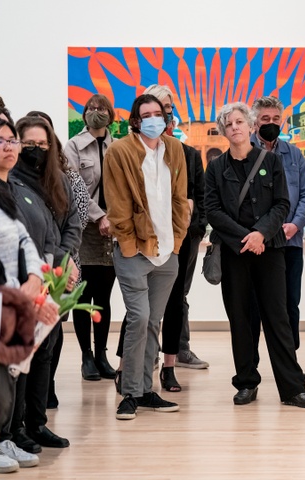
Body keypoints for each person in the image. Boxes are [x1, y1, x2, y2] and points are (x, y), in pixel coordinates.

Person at [204, 102, 305, 408]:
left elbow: (282, 203)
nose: (235, 128)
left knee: (278, 318)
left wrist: (261, 234)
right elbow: (212, 209)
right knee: (240, 319)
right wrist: (246, 236)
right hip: (235, 252)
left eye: (240, 122)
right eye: (229, 124)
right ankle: (246, 383)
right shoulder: (216, 168)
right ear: (224, 131)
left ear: (251, 126)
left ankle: (292, 388)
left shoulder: (271, 160)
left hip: (270, 250)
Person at [103, 94, 190, 420]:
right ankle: (129, 392)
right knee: (138, 318)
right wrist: (128, 244)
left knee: (153, 321)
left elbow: (181, 199)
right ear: (136, 120)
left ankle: (146, 391)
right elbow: (117, 204)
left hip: (167, 253)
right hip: (134, 251)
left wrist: (177, 241)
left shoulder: (175, 149)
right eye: (147, 114)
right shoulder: (120, 151)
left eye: (160, 113)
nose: (154, 118)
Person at [0, 118, 57, 472]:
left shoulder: (6, 191)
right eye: (0, 141)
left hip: (17, 299)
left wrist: (34, 277)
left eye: (11, 140)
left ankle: (5, 439)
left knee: (11, 376)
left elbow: (25, 239)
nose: (10, 147)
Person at [8, 115, 81, 452]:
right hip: (25, 280)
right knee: (21, 356)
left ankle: (38, 423)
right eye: (29, 144)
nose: (35, 150)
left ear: (51, 146)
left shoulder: (60, 180)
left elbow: (72, 225)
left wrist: (62, 263)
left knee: (45, 351)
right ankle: (16, 427)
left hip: (54, 278)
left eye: (42, 144)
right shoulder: (9, 182)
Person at [143, 84, 209, 391]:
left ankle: (170, 364)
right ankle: (134, 364)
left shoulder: (188, 153)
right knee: (141, 304)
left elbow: (200, 194)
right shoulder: (130, 151)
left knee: (174, 300)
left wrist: (193, 226)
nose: (162, 114)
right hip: (144, 240)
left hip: (182, 240)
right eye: (156, 108)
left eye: (167, 108)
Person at [249, 96, 305, 381]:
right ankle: (250, 367)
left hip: (289, 243)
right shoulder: (243, 153)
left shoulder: (294, 154)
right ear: (255, 123)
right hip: (255, 245)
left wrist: (295, 225)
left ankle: (291, 365)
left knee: (289, 304)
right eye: (266, 119)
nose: (271, 124)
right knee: (252, 306)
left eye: (276, 119)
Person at [64, 94, 118, 382]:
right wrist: (100, 216)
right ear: (84, 114)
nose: (96, 113)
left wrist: (114, 219)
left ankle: (101, 354)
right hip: (84, 230)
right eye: (91, 109)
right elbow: (75, 189)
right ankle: (86, 356)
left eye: (102, 109)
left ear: (110, 114)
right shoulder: (73, 146)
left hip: (112, 232)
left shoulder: (117, 146)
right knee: (83, 296)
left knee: (104, 297)